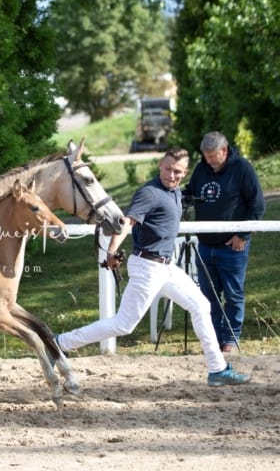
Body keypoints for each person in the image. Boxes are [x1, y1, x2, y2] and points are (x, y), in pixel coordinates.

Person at [55, 147, 250, 386]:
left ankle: (217, 369)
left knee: (201, 306)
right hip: (147, 266)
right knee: (123, 325)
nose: (171, 175)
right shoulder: (149, 193)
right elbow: (127, 223)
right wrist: (113, 250)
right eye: (168, 169)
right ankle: (60, 343)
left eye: (177, 171)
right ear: (160, 165)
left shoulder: (175, 192)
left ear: (184, 173)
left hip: (166, 268)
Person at [186, 131, 265, 354]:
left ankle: (231, 338)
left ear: (224, 150)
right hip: (205, 245)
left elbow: (257, 206)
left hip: (232, 246)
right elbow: (191, 192)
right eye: (205, 156)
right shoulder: (201, 169)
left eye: (212, 156)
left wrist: (243, 235)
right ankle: (214, 339)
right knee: (208, 296)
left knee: (233, 294)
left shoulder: (242, 168)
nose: (209, 160)